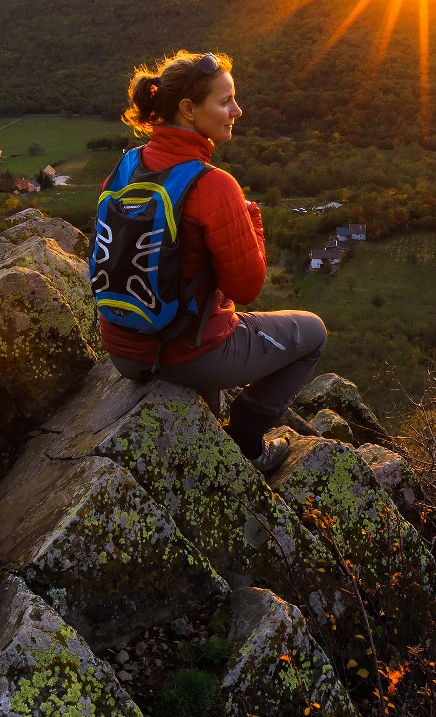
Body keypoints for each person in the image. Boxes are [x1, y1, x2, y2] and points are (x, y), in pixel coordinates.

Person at [96, 50, 326, 473]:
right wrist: (252, 220)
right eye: (225, 102)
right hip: (184, 356)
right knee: (312, 333)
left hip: (122, 348)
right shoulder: (214, 186)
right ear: (188, 109)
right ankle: (247, 441)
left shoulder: (126, 165)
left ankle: (209, 418)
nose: (237, 110)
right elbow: (247, 287)